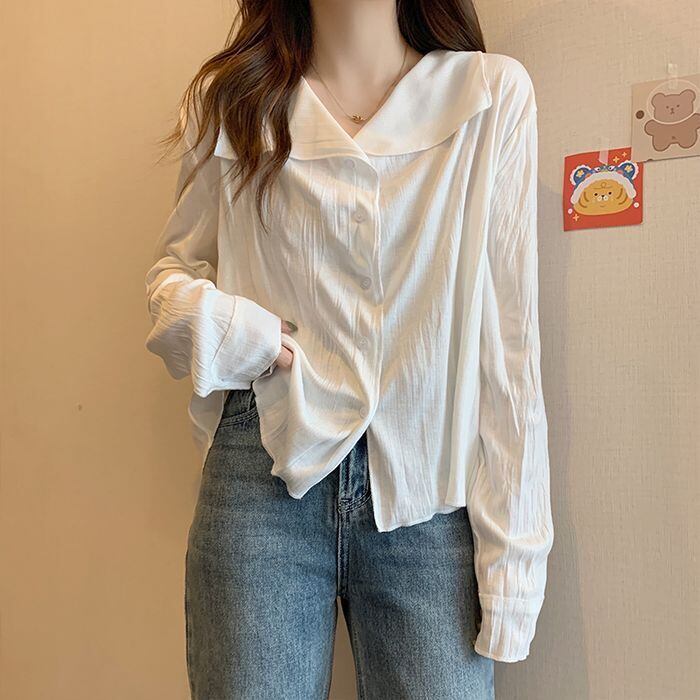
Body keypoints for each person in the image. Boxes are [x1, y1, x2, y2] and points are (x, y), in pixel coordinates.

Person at [143, 1, 554, 698]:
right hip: (263, 469)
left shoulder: (487, 96)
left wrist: (514, 560)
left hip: (429, 491)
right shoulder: (234, 101)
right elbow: (169, 279)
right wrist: (241, 335)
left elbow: (509, 347)